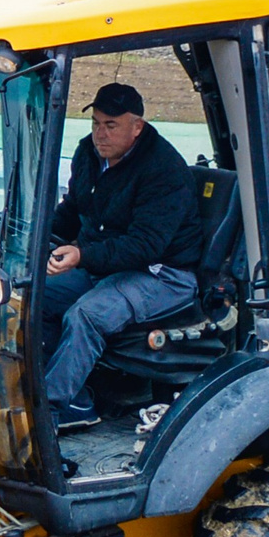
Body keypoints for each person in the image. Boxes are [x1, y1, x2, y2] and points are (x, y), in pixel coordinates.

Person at [39, 82, 206, 430]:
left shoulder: (164, 170)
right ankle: (78, 398)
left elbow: (145, 245)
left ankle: (49, 414)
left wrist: (82, 255)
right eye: (96, 124)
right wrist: (34, 235)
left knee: (87, 314)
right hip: (104, 264)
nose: (101, 134)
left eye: (111, 125)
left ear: (137, 126)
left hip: (161, 274)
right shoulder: (89, 153)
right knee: (32, 296)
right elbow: (73, 208)